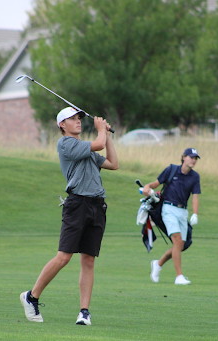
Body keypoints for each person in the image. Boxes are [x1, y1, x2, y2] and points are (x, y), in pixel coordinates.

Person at [20, 107, 119, 326]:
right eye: (72, 119)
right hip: (77, 205)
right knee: (64, 257)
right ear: (62, 125)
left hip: (96, 205)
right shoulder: (66, 144)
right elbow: (98, 143)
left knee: (89, 260)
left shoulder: (86, 150)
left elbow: (113, 164)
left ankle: (84, 312)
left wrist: (108, 135)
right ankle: (32, 296)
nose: (77, 122)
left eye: (78, 118)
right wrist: (101, 130)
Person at [142, 148, 201, 285]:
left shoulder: (195, 177)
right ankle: (179, 276)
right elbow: (155, 184)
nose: (193, 160)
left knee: (180, 245)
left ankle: (158, 264)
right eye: (191, 157)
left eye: (195, 158)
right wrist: (147, 186)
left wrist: (195, 214)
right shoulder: (171, 169)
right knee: (177, 240)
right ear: (184, 157)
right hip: (168, 209)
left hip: (182, 211)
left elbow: (195, 197)